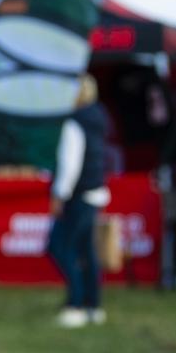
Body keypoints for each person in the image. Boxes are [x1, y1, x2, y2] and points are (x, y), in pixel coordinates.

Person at [48, 75, 110, 328]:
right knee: (86, 250)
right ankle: (92, 304)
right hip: (94, 190)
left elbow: (69, 164)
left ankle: (76, 304)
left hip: (79, 193)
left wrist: (59, 195)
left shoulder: (75, 122)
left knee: (61, 247)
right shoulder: (97, 117)